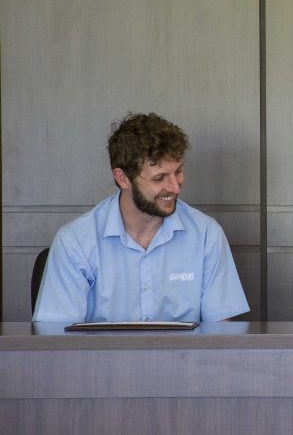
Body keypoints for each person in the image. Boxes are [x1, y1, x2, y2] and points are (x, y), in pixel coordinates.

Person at [33, 113, 249, 322]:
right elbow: (57, 338)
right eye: (159, 178)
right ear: (123, 178)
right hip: (102, 351)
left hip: (185, 351)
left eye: (178, 171)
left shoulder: (206, 235)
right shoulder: (75, 241)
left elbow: (219, 334)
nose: (175, 187)